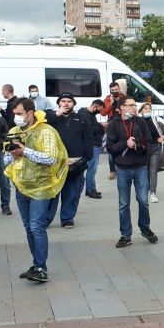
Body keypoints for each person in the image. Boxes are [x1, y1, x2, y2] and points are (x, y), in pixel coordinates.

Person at [5, 98, 67, 283]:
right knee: (28, 227)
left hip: (42, 187)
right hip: (22, 185)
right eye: (14, 114)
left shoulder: (45, 131)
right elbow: (5, 160)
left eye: (19, 114)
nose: (16, 118)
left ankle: (41, 267)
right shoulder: (14, 132)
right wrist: (11, 154)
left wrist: (24, 151)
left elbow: (50, 158)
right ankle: (36, 264)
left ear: (30, 113)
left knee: (36, 227)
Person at [105, 96, 160, 248]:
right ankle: (125, 234)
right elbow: (110, 147)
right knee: (123, 204)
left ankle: (144, 228)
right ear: (122, 108)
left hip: (140, 168)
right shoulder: (114, 124)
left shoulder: (141, 122)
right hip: (122, 169)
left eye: (135, 105)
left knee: (143, 201)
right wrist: (125, 143)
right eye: (131, 105)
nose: (135, 108)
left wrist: (140, 147)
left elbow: (149, 142)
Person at [48, 93, 93, 228]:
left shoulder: (81, 119)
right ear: (58, 103)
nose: (66, 103)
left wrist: (85, 159)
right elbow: (42, 123)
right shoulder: (52, 117)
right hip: (55, 162)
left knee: (72, 193)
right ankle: (46, 219)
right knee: (52, 193)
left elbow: (88, 140)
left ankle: (67, 218)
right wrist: (57, 114)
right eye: (63, 101)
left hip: (75, 162)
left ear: (74, 103)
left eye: (69, 101)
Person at [140, 100, 164, 203]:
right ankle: (144, 191)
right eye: (145, 108)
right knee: (144, 171)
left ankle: (152, 193)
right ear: (141, 110)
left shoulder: (155, 119)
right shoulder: (138, 121)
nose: (148, 110)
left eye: (149, 109)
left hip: (156, 147)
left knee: (153, 171)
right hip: (143, 149)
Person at [83, 100, 105, 200]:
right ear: (96, 106)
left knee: (91, 168)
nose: (100, 112)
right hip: (92, 145)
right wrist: (101, 126)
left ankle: (89, 189)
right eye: (100, 109)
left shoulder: (89, 115)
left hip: (94, 144)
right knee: (92, 168)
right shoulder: (85, 115)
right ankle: (91, 190)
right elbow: (91, 129)